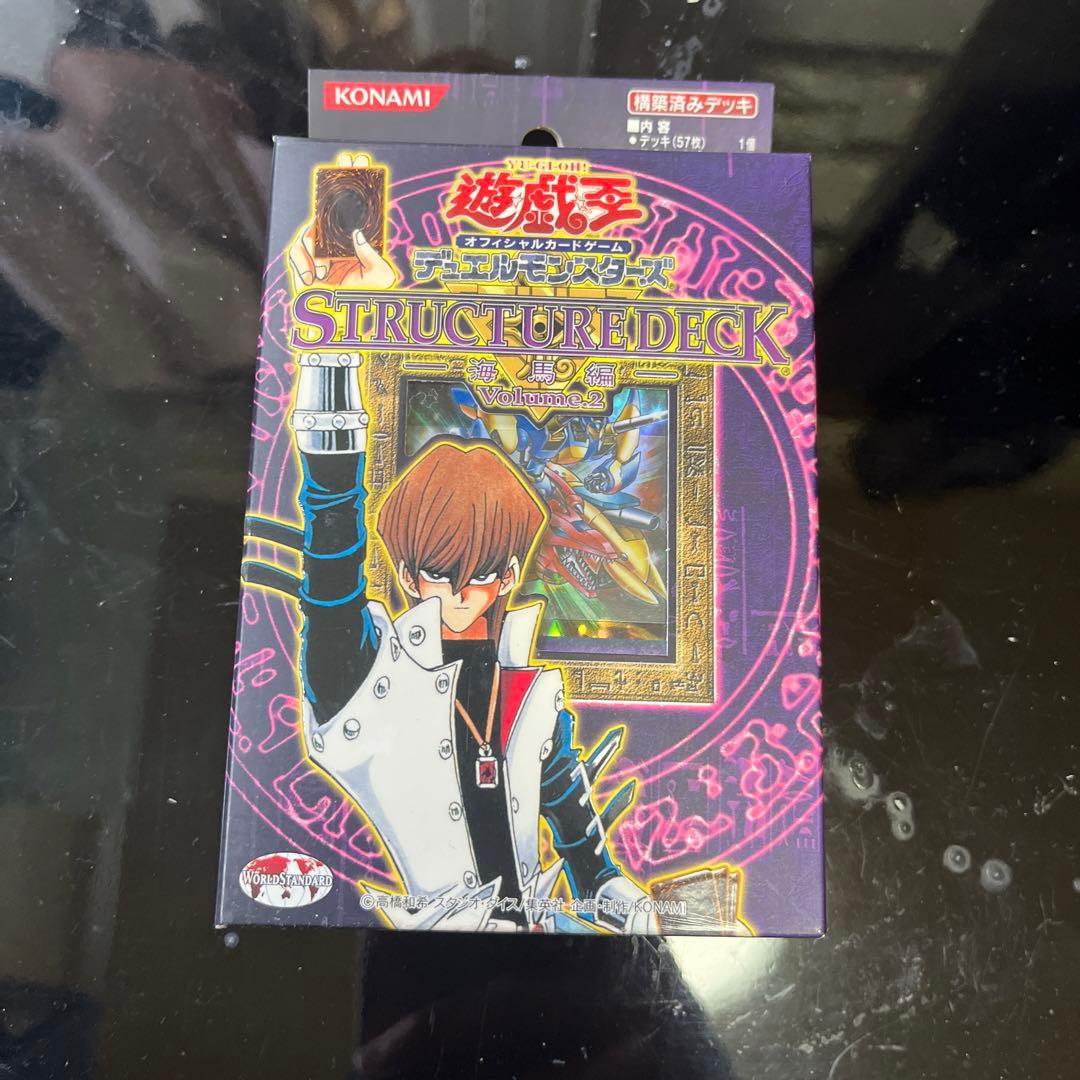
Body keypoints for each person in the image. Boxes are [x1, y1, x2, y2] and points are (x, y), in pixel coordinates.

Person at [247, 179, 654, 933]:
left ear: (509, 574)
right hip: (425, 948)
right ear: (407, 574)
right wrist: (333, 332)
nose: (462, 592)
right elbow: (332, 528)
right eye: (438, 573)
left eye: (486, 573)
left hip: (544, 949)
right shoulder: (362, 675)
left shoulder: (533, 698)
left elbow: (589, 861)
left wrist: (627, 904)